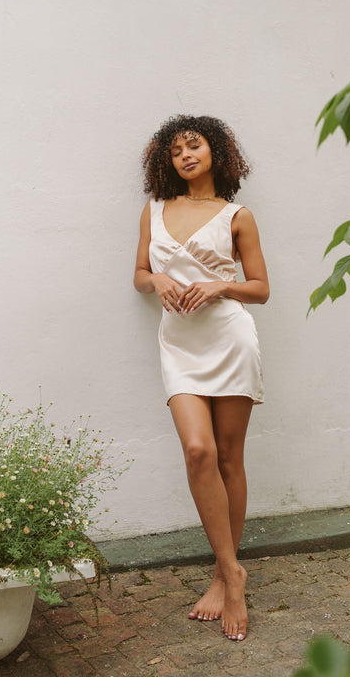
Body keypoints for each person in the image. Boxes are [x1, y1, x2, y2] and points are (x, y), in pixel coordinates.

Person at [134, 115, 269, 642]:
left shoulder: (238, 215)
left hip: (230, 340)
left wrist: (218, 288)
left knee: (230, 457)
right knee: (198, 450)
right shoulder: (154, 210)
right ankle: (233, 568)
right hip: (180, 346)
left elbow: (259, 288)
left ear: (216, 151)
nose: (185, 155)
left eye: (194, 145)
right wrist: (160, 276)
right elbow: (140, 276)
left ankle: (223, 576)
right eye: (175, 151)